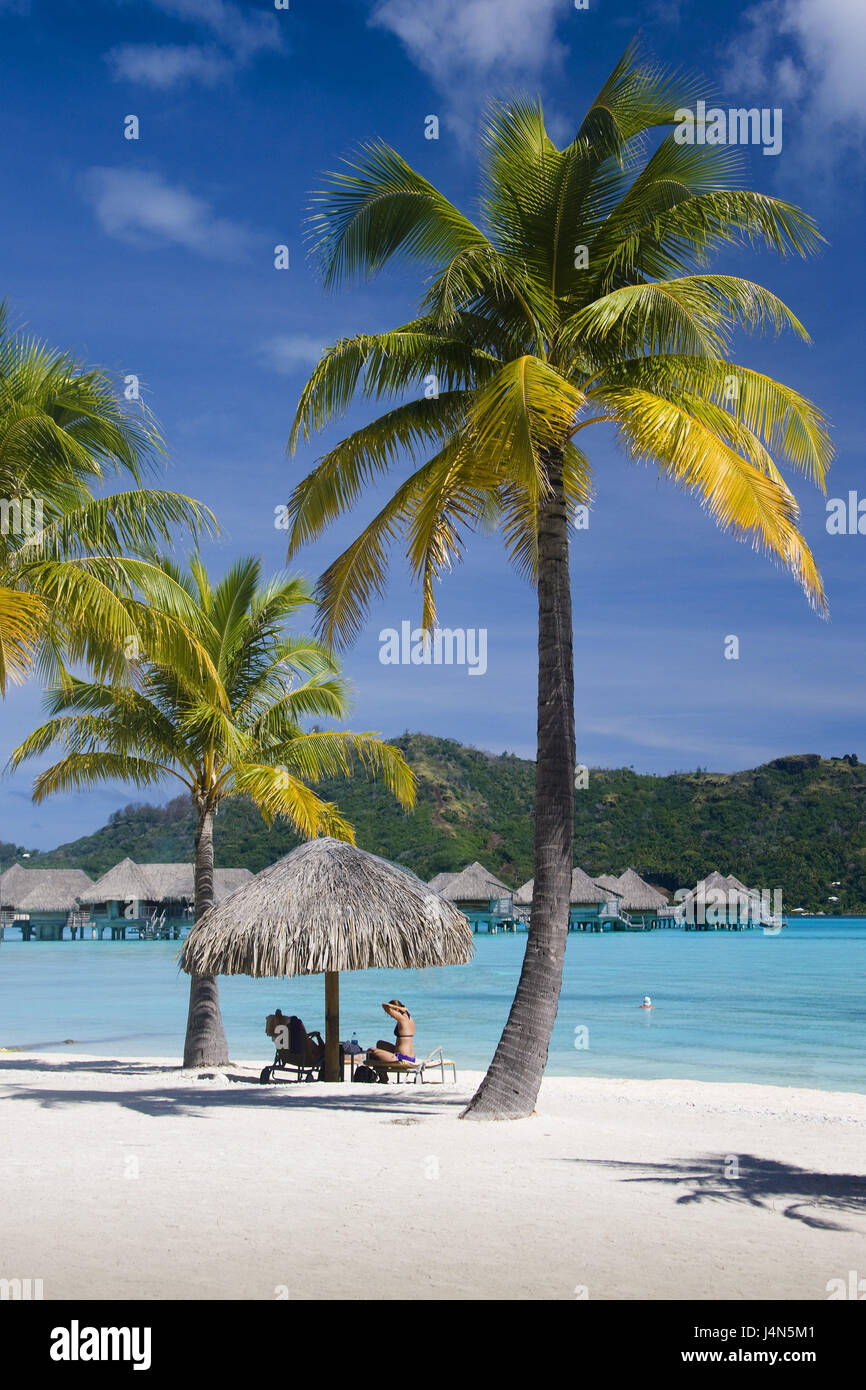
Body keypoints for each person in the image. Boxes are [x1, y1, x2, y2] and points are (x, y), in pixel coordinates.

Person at [365, 1000, 416, 1077]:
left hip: (401, 1058)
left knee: (371, 1051)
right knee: (380, 1043)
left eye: (391, 1013)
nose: (391, 1015)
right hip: (410, 1057)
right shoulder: (409, 1017)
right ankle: (383, 1075)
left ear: (397, 1010)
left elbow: (384, 1005)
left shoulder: (401, 1018)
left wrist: (397, 1008)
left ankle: (384, 1077)